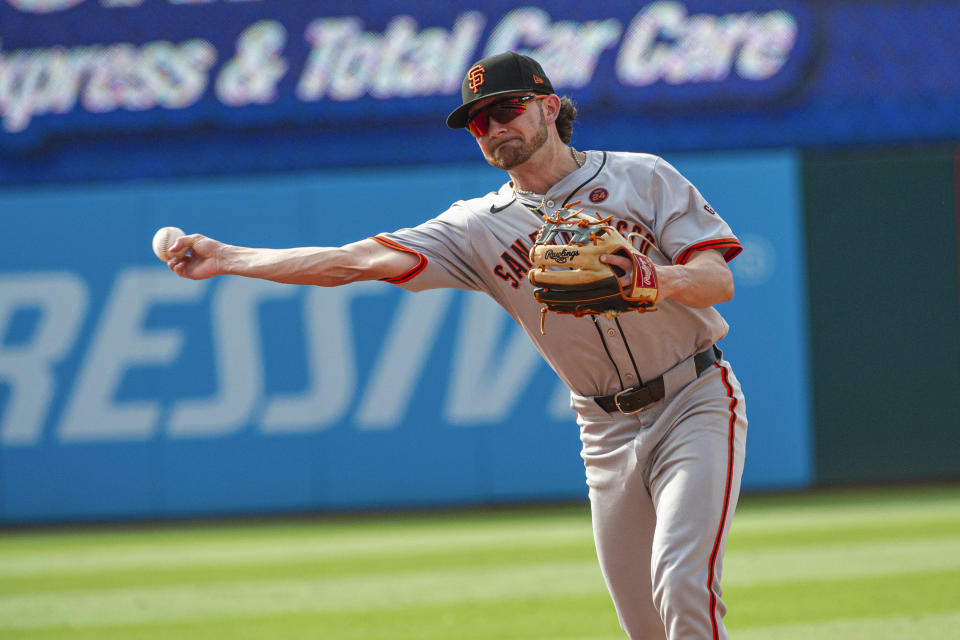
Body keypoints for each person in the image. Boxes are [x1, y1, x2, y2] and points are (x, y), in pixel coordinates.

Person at [167, 51, 748, 640]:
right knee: (644, 626)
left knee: (680, 582)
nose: (495, 129)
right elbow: (351, 263)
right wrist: (227, 259)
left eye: (507, 110)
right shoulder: (476, 226)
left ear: (549, 106)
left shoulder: (642, 176)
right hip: (604, 429)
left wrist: (653, 278)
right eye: (479, 122)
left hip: (693, 398)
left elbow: (717, 279)